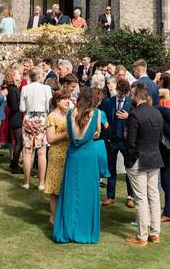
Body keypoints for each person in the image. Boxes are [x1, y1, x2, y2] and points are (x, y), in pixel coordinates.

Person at [52, 90, 109, 244]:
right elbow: (97, 133)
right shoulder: (96, 114)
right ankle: (84, 231)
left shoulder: (71, 112)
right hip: (89, 156)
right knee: (88, 193)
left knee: (70, 191)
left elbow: (71, 137)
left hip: (73, 155)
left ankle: (68, 230)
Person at [124, 85, 164, 246]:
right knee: (153, 195)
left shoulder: (134, 115)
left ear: (136, 95)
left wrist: (129, 161)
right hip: (153, 156)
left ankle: (142, 236)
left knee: (141, 198)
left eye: (131, 94)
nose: (130, 97)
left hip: (139, 158)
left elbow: (130, 142)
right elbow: (160, 136)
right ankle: (154, 233)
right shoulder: (156, 111)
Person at [100, 79, 136, 207]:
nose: (122, 96)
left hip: (126, 141)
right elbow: (101, 115)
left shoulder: (131, 103)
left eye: (125, 94)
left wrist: (129, 116)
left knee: (129, 168)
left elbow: (138, 119)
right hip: (111, 140)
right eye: (120, 93)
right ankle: (110, 196)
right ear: (116, 90)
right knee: (111, 168)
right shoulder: (107, 102)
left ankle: (131, 196)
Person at [20, 68, 52, 190]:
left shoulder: (25, 88)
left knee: (28, 152)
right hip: (42, 119)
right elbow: (48, 107)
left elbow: (22, 108)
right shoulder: (46, 88)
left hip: (28, 118)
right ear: (39, 76)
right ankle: (41, 183)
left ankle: (27, 182)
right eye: (43, 75)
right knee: (41, 152)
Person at [44, 89, 72, 226]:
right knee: (55, 188)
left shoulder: (69, 115)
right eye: (64, 99)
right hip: (56, 154)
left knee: (65, 186)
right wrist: (65, 134)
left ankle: (63, 215)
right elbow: (50, 138)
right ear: (57, 101)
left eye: (69, 98)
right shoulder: (52, 117)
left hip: (69, 153)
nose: (68, 101)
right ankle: (53, 217)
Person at [3, 68, 24, 173]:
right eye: (17, 74)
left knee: (19, 142)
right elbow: (14, 106)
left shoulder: (14, 88)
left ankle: (13, 163)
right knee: (19, 142)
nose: (20, 76)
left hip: (16, 117)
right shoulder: (12, 89)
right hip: (15, 118)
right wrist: (23, 99)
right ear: (12, 76)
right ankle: (15, 165)